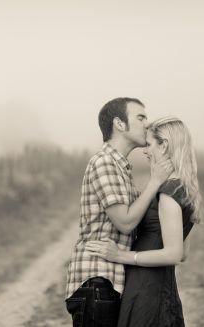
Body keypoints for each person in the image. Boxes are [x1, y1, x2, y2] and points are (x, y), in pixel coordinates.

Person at [65, 97, 174, 327]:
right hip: (97, 279)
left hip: (108, 281)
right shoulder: (104, 162)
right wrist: (154, 182)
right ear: (119, 124)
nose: (147, 123)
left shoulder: (121, 167)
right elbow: (125, 222)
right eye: (140, 117)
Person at [86, 117, 202, 327]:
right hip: (161, 283)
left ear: (164, 145)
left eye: (149, 144)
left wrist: (120, 255)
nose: (145, 151)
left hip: (146, 286)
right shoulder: (182, 188)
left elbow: (174, 254)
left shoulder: (167, 194)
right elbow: (184, 252)